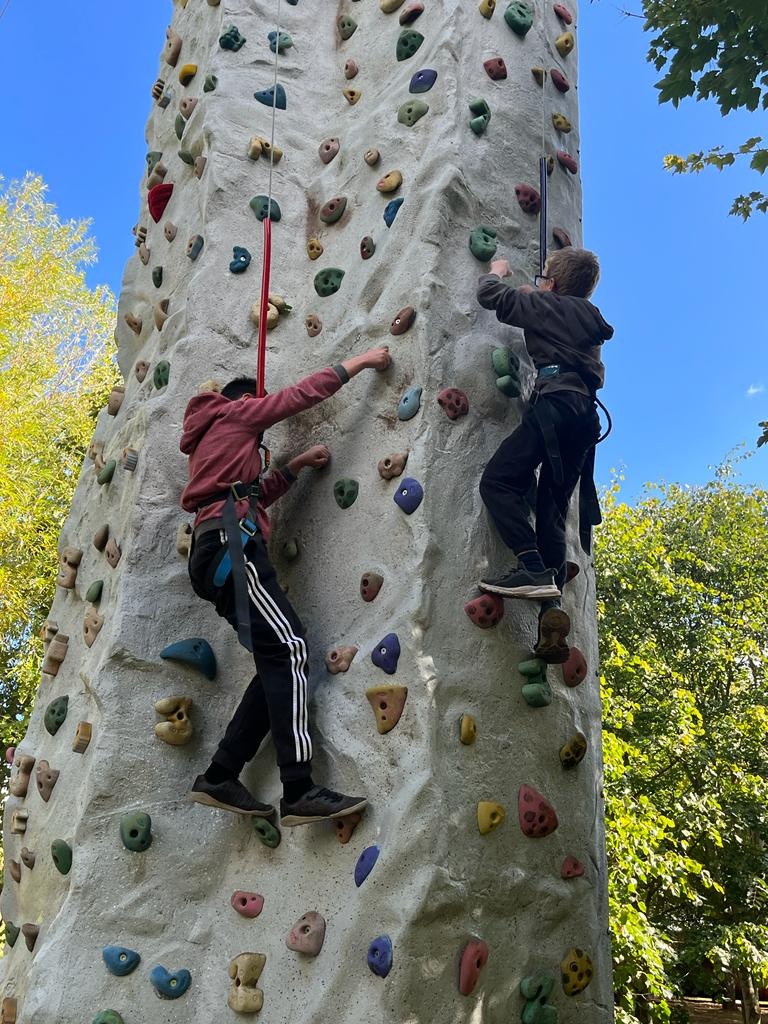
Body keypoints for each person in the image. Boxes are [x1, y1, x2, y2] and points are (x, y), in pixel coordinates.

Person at [180, 347, 392, 826]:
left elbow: (251, 494)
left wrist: (292, 468)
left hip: (217, 549)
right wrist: (360, 362)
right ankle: (298, 788)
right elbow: (298, 396)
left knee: (275, 661)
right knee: (293, 648)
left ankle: (221, 774)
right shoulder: (236, 413)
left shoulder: (212, 443)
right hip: (232, 547)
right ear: (245, 402)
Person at [475, 248, 614, 662]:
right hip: (584, 416)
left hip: (554, 406)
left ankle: (531, 565)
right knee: (551, 511)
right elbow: (554, 316)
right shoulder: (589, 318)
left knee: (497, 481)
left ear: (551, 284)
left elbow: (490, 296)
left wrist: (497, 272)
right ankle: (550, 606)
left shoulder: (547, 305)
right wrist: (539, 294)